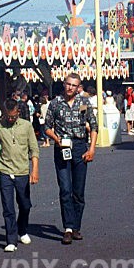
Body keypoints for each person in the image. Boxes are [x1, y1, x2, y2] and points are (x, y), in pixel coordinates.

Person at [44, 73, 97, 245]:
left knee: (78, 191)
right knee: (65, 189)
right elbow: (46, 127)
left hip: (80, 146)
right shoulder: (55, 104)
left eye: (74, 85)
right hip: (62, 147)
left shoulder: (84, 103)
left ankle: (76, 227)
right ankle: (67, 227)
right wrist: (57, 139)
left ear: (78, 87)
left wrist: (92, 149)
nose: (70, 88)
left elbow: (93, 126)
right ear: (64, 84)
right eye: (68, 84)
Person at [0, 98, 39, 252]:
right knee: (8, 207)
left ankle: (22, 229)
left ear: (18, 112)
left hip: (22, 171)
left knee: (25, 204)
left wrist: (35, 169)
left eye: (13, 116)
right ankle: (11, 240)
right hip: (5, 171)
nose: (10, 119)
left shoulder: (26, 126)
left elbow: (34, 149)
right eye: (7, 116)